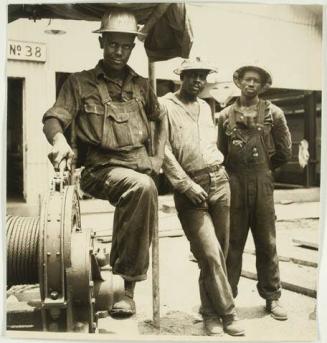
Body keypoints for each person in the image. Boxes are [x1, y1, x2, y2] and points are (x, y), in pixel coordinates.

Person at [42, 10, 166, 317]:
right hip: (100, 169)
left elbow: (160, 117)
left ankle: (123, 281)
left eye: (125, 46)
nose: (119, 52)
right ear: (102, 43)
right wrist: (59, 141)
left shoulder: (140, 86)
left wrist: (158, 157)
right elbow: (54, 118)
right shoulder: (79, 83)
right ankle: (127, 290)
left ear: (132, 48)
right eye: (113, 44)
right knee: (141, 188)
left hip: (139, 166)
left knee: (141, 187)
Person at [160, 57, 244, 336]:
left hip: (219, 181)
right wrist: (185, 184)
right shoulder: (165, 105)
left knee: (221, 252)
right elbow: (163, 151)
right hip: (190, 187)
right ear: (180, 77)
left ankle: (209, 314)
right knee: (208, 253)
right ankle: (228, 313)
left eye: (202, 76)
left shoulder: (206, 107)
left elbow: (213, 144)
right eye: (192, 75)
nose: (198, 80)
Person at [217, 64, 292, 320]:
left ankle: (272, 298)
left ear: (262, 86)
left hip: (262, 182)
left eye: (256, 81)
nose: (251, 84)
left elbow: (285, 151)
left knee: (266, 242)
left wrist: (266, 172)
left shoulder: (274, 113)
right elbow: (219, 152)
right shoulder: (225, 114)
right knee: (232, 243)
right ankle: (226, 299)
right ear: (239, 82)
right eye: (247, 80)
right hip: (234, 183)